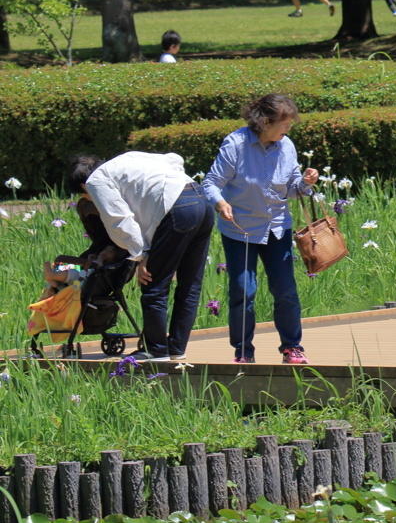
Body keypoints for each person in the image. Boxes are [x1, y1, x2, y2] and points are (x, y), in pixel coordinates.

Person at [202, 93, 320, 365]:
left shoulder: (286, 146)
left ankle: (292, 347)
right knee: (244, 290)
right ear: (266, 121)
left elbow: (292, 189)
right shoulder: (235, 144)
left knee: (286, 290)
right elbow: (210, 183)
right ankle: (243, 351)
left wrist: (306, 182)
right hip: (239, 230)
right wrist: (220, 203)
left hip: (277, 229)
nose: (289, 128)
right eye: (285, 123)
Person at [74, 151, 214, 362]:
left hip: (178, 209)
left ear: (84, 187)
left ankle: (156, 350)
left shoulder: (96, 181)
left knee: (152, 283)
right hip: (201, 201)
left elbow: (119, 220)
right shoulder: (127, 160)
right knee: (190, 284)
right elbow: (175, 159)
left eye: (84, 196)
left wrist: (141, 254)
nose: (88, 199)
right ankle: (176, 347)